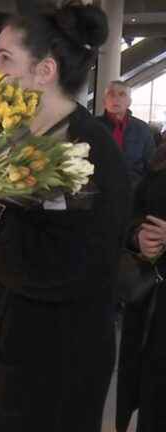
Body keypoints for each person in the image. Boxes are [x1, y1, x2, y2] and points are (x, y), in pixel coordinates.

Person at [0, 4, 131, 431]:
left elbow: (67, 267)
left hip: (52, 372)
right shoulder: (9, 137)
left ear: (45, 70)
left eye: (5, 57)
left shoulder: (90, 154)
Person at [116, 144, 166, 432]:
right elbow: (136, 210)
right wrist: (138, 236)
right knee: (151, 392)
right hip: (150, 301)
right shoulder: (160, 154)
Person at [97, 80, 156, 188]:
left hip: (134, 190)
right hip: (98, 189)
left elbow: (151, 165)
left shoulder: (142, 129)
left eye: (122, 94)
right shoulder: (93, 127)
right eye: (111, 94)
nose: (116, 99)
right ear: (104, 101)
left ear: (129, 102)